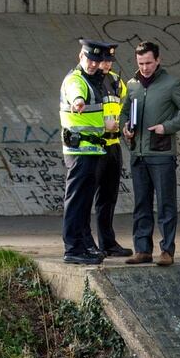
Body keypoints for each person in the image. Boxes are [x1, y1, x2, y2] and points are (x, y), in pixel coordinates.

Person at [121, 40, 180, 266]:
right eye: (141, 63)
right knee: (141, 204)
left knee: (165, 204)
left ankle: (167, 251)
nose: (145, 67)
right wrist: (125, 126)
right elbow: (125, 112)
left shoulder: (172, 84)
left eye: (149, 62)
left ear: (158, 60)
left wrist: (167, 127)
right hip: (138, 153)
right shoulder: (132, 85)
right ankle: (142, 250)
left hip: (162, 154)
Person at [59, 38, 120, 265]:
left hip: (94, 150)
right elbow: (76, 94)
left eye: (97, 60)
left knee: (84, 202)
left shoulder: (95, 80)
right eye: (89, 59)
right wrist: (78, 102)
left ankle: (84, 244)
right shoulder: (76, 80)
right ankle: (73, 248)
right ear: (80, 57)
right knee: (76, 201)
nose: (93, 64)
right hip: (80, 151)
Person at [93, 44, 131, 258]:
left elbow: (127, 103)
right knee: (87, 197)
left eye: (109, 60)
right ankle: (85, 243)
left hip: (113, 144)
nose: (106, 64)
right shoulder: (88, 81)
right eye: (103, 60)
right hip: (94, 146)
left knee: (109, 197)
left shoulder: (116, 80)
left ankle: (107, 243)